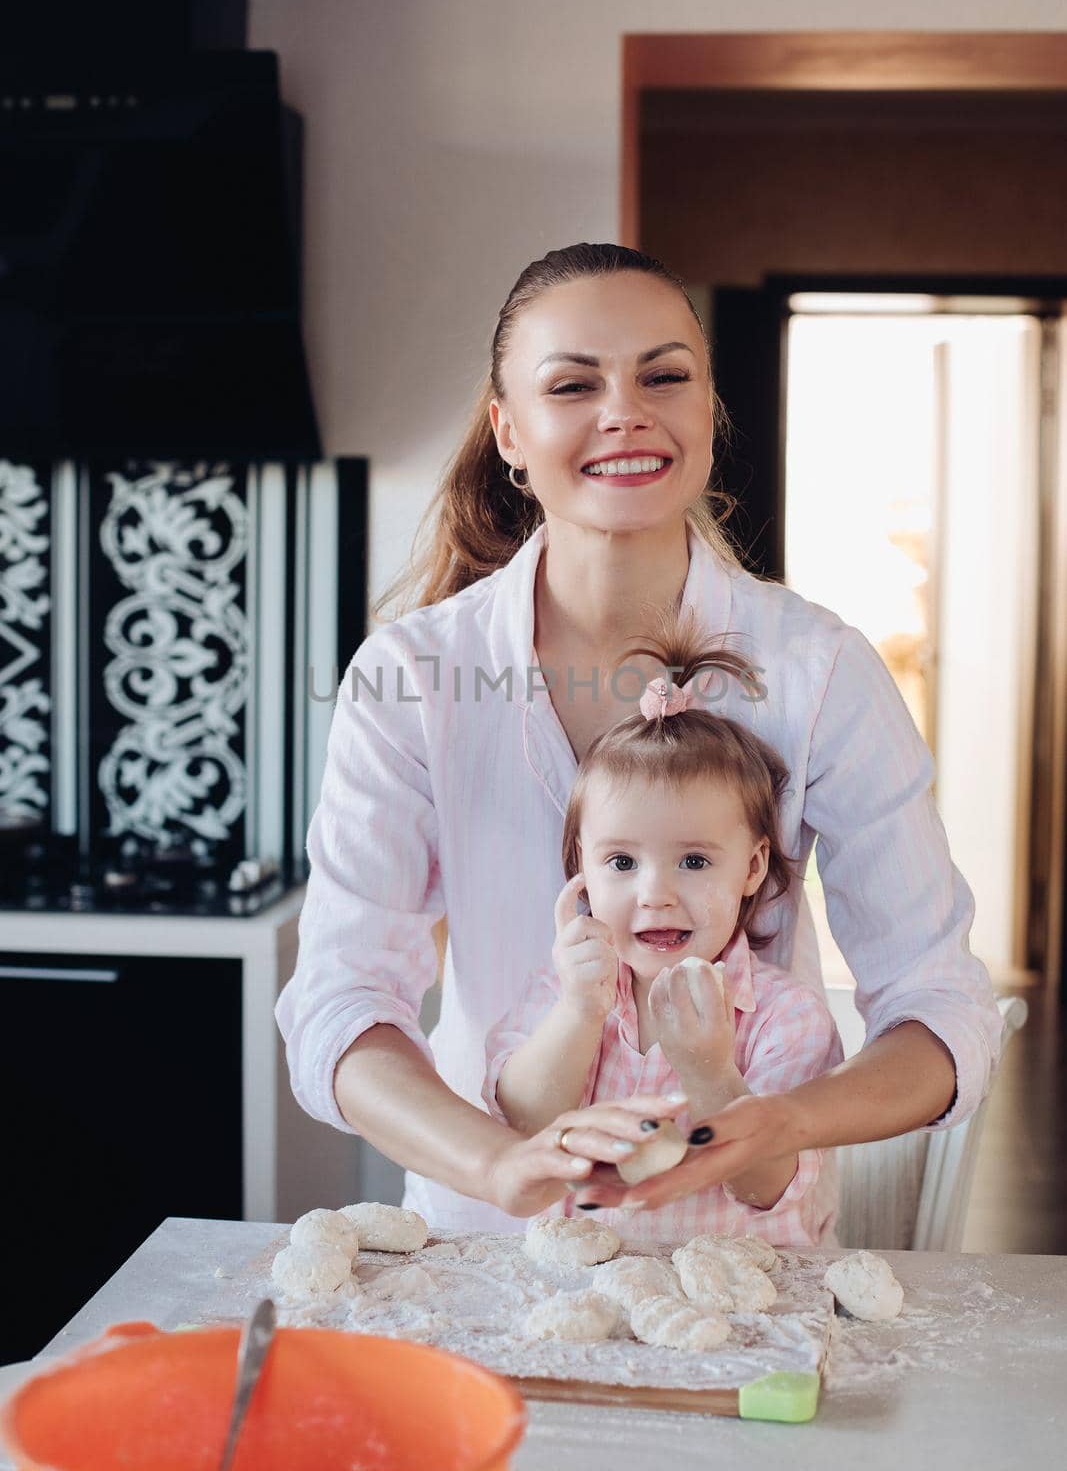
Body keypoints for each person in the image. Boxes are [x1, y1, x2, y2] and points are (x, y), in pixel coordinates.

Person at [275, 240, 1004, 1235]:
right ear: (509, 433)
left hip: (740, 1261)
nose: (625, 410)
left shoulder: (819, 670)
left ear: (705, 411)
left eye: (663, 376)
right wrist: (500, 1165)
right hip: (482, 1249)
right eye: (572, 384)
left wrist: (774, 1120)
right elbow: (339, 1005)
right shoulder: (410, 678)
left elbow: (938, 1006)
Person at [483, 607, 845, 1244]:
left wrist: (709, 1071)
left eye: (695, 861)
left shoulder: (787, 1019)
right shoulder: (563, 990)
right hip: (585, 1288)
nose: (656, 895)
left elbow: (764, 1182)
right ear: (583, 874)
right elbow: (525, 1127)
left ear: (754, 867)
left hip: (737, 1304)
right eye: (622, 862)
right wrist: (577, 1013)